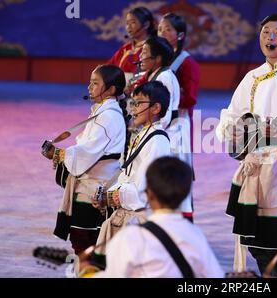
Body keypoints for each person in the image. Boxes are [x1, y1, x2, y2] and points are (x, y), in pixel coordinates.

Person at [216, 14, 277, 276]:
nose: (270, 38)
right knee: (256, 243)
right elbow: (231, 113)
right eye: (265, 32)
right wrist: (234, 130)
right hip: (254, 165)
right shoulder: (252, 76)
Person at [42, 64, 127, 255]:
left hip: (95, 186)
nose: (89, 88)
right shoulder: (103, 112)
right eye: (90, 83)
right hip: (91, 183)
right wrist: (64, 155)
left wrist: (58, 154)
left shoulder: (108, 117)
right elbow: (85, 147)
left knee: (86, 241)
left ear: (111, 90)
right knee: (84, 242)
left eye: (95, 83)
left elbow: (87, 152)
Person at [92, 156, 224, 278]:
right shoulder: (195, 236)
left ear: (149, 194)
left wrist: (86, 272)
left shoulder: (131, 237)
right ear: (185, 195)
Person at [92, 81, 172, 259]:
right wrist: (109, 196)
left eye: (138, 103)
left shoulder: (158, 141)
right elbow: (128, 175)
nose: (133, 108)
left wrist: (112, 197)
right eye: (132, 103)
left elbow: (145, 190)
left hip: (140, 218)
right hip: (128, 211)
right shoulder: (143, 134)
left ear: (156, 108)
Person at [133, 36, 193, 221]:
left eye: (144, 53)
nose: (140, 56)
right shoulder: (156, 74)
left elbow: (163, 113)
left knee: (169, 182)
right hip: (164, 131)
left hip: (170, 135)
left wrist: (150, 134)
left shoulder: (165, 76)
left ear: (157, 58)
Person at [158, 12, 200, 221]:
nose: (162, 33)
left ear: (180, 35)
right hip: (160, 120)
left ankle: (184, 217)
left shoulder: (186, 62)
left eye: (168, 29)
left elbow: (190, 98)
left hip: (178, 122)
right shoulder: (161, 60)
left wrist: (163, 100)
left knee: (177, 168)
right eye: (160, 29)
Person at [108, 7, 156, 83]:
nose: (128, 27)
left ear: (146, 24)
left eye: (133, 22)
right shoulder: (126, 48)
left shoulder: (153, 47)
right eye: (127, 23)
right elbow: (109, 67)